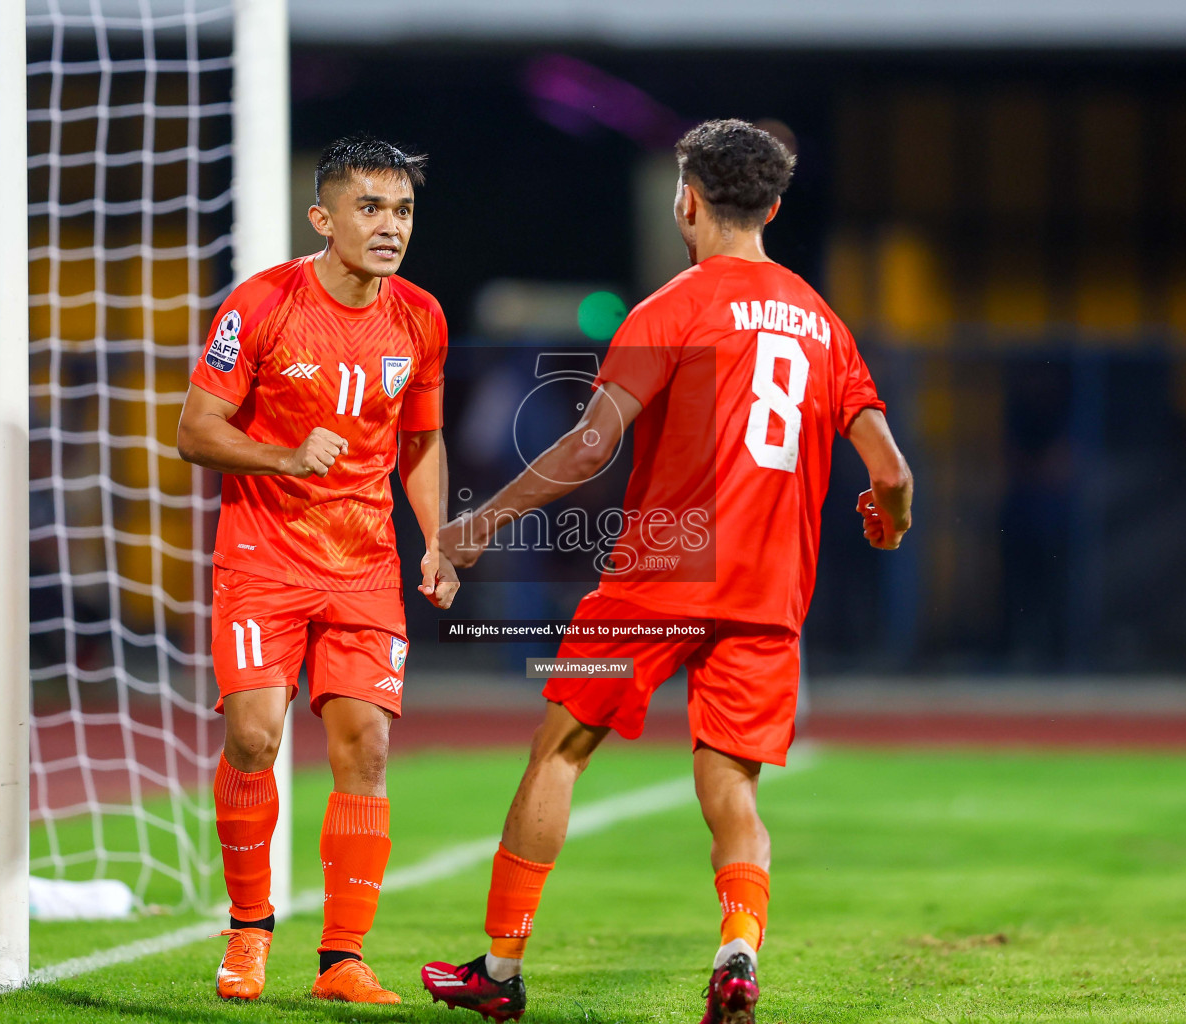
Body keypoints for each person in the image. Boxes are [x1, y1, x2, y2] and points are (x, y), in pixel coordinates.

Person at [419, 119, 913, 1024]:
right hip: (766, 592)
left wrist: (478, 524)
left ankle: (498, 968)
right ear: (770, 205)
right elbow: (892, 471)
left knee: (560, 750)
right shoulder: (822, 323)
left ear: (685, 198)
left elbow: (590, 445)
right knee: (732, 791)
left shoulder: (671, 308)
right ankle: (736, 947)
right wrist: (890, 520)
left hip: (661, 575)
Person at [175, 135, 458, 1005]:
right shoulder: (260, 305)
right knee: (255, 735)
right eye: (370, 208)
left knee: (366, 748)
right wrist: (287, 455)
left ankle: (342, 960)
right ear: (322, 217)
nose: (389, 226)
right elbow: (195, 431)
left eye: (402, 209)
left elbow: (421, 440)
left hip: (365, 563)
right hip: (264, 556)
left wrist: (437, 538)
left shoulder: (421, 318)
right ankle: (249, 932)